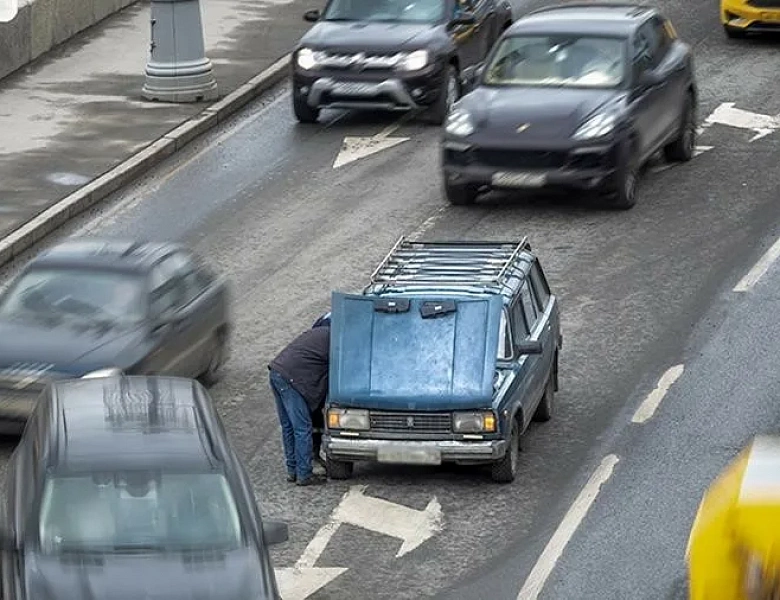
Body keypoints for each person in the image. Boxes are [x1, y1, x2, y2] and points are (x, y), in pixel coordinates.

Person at [268, 325, 330, 486]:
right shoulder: (335, 341)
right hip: (291, 378)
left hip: (276, 372)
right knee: (302, 427)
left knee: (288, 426)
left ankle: (292, 471)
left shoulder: (319, 332)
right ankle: (304, 474)